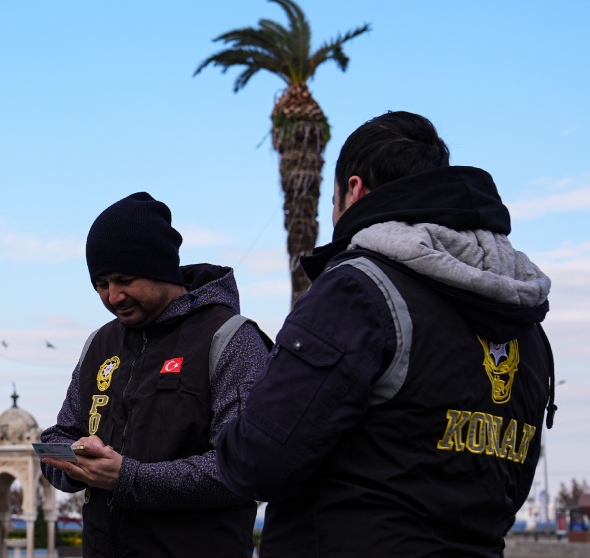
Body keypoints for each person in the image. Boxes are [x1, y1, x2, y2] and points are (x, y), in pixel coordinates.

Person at [215, 111, 556, 556]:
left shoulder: (358, 290)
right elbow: (511, 484)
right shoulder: (525, 321)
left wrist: (230, 418)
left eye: (332, 200)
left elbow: (258, 460)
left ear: (354, 190)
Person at [40, 192, 271, 557]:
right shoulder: (99, 344)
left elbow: (245, 468)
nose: (113, 297)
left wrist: (127, 478)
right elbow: (61, 434)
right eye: (101, 285)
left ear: (161, 268)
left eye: (124, 280)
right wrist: (70, 459)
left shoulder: (229, 338)